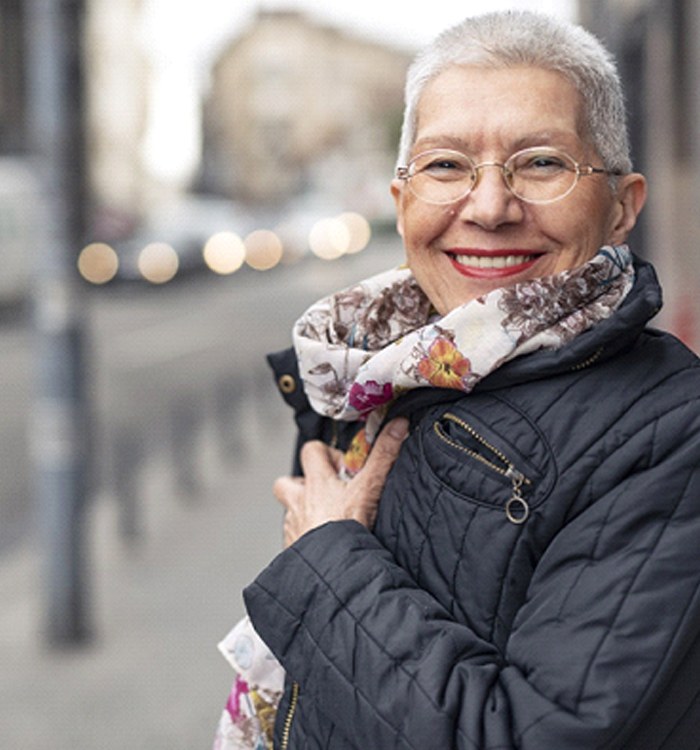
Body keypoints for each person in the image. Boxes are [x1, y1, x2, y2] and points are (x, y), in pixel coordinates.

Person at [238, 9, 700, 749]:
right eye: (447, 165)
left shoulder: (671, 432)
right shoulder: (365, 369)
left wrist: (325, 558)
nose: (488, 207)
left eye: (542, 162)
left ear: (623, 206)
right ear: (402, 203)